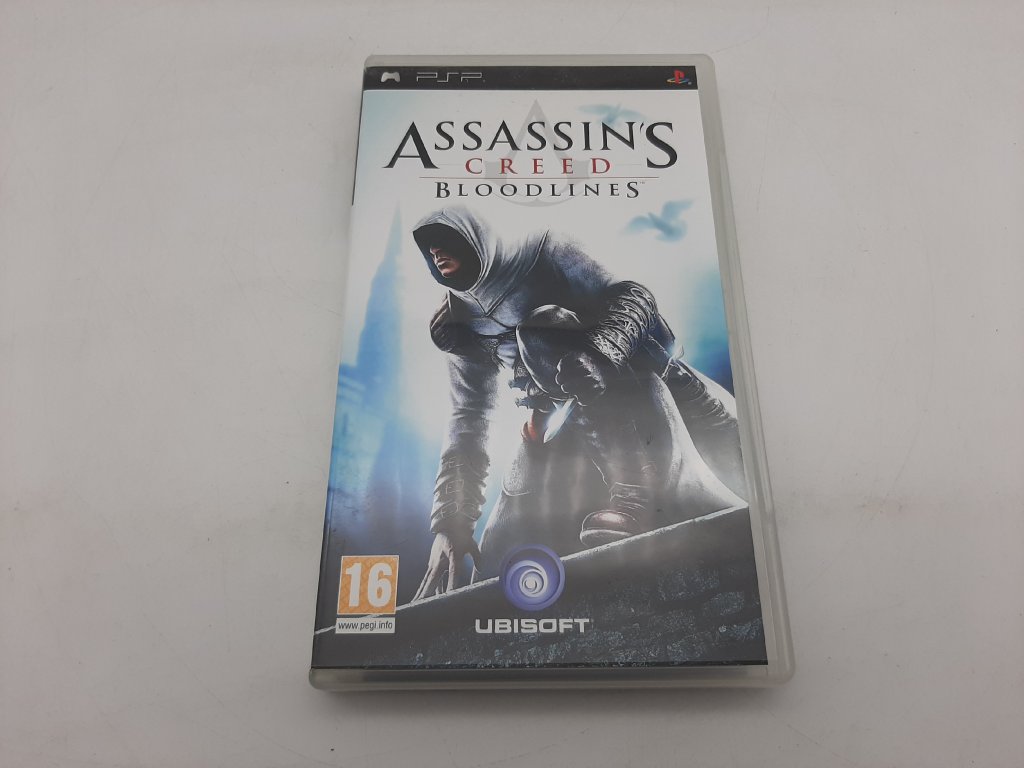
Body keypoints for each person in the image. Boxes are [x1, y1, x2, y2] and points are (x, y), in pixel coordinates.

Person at [411, 207, 746, 600]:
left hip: (639, 395)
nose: (436, 252)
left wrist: (598, 355)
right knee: (499, 558)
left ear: (473, 236)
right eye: (429, 247)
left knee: (542, 327)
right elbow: (469, 416)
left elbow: (634, 298)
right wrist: (452, 521)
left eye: (445, 240)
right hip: (554, 421)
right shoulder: (457, 321)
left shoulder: (545, 251)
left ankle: (635, 491)